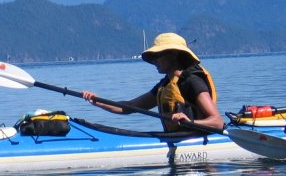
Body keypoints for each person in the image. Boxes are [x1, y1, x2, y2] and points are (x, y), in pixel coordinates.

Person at [81, 32, 224, 132]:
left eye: (158, 56)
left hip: (197, 141)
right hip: (177, 137)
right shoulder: (165, 85)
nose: (154, 61)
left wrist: (190, 123)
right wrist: (97, 101)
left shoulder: (192, 82)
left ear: (173, 55)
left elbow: (217, 122)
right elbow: (130, 107)